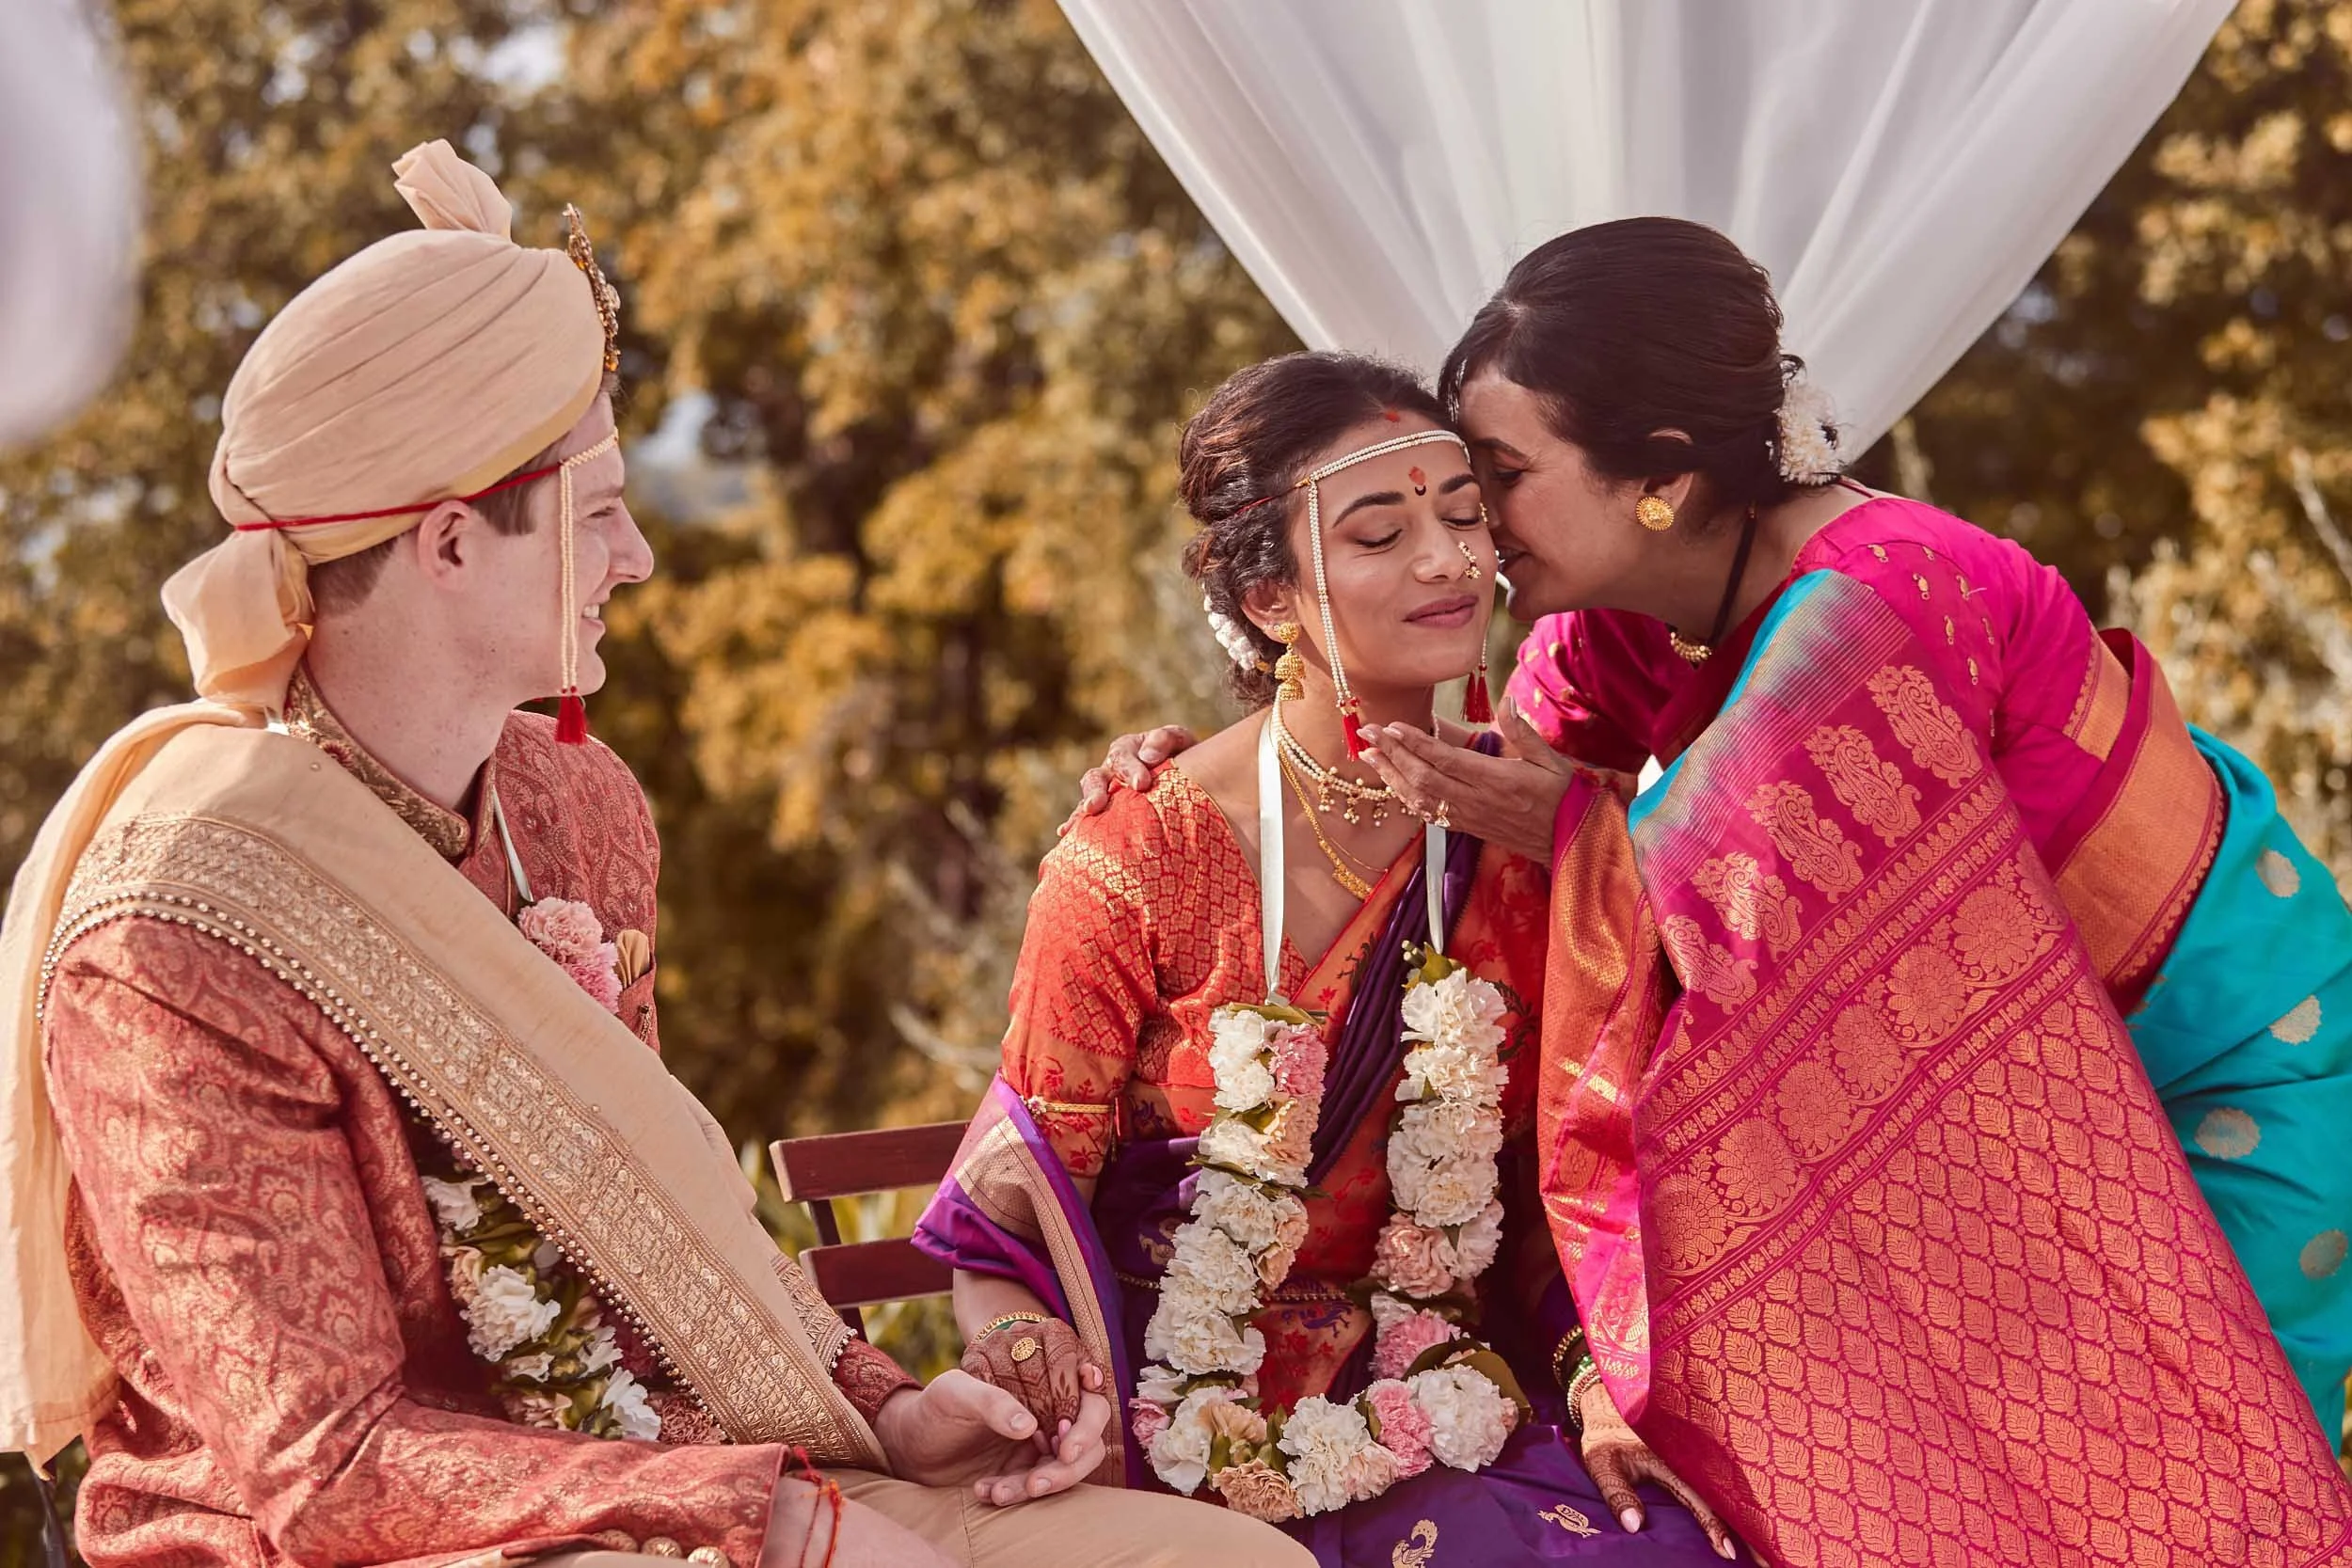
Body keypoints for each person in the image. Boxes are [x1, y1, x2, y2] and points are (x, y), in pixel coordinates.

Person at [0, 140, 1312, 1568]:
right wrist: (764, 1514)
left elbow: (663, 1230)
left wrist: (896, 1410)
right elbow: (326, 1468)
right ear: (449, 544)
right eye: (598, 512)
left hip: (658, 1464)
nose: (636, 558)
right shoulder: (176, 928)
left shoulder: (581, 806)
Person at [1079, 220, 2352, 1565]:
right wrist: (1205, 782)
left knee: (2193, 1491)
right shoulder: (1615, 619)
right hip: (2007, 1093)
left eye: (1499, 478)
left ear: (1662, 477)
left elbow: (1743, 917)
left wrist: (1572, 827)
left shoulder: (1881, 595)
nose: (1474, 531)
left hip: (2220, 1061)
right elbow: (1450, 803)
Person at [917, 351, 1737, 1565]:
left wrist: (1597, 1387)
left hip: (1452, 1397)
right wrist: (1027, 1363)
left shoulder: (1530, 836)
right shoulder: (1140, 855)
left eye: (1465, 517)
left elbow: (1561, 1192)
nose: (1449, 561)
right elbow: (1010, 1222)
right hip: (1176, 1429)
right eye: (1380, 534)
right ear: (1270, 600)